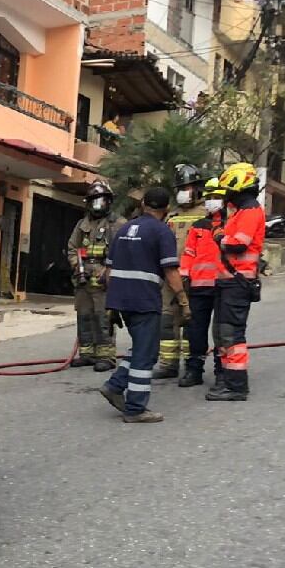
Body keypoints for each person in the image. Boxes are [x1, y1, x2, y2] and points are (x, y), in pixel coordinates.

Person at [98, 187, 189, 424]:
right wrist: (183, 300)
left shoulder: (124, 229)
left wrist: (112, 303)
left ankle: (115, 386)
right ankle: (135, 408)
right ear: (166, 209)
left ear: (143, 205)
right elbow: (170, 270)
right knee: (145, 353)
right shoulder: (162, 231)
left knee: (142, 347)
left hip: (121, 299)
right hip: (144, 300)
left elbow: (108, 271)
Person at [207, 162, 266, 402]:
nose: (226, 195)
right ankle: (226, 379)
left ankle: (236, 385)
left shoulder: (250, 211)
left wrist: (220, 237)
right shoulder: (241, 211)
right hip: (228, 282)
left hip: (237, 282)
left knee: (231, 334)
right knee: (222, 333)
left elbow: (238, 244)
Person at [151, 163, 206, 380]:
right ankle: (168, 364)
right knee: (166, 321)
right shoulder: (171, 216)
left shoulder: (205, 214)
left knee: (191, 322)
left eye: (187, 188)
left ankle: (191, 365)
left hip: (194, 278)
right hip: (169, 277)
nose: (183, 192)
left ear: (197, 188)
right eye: (180, 189)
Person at [66, 180, 120, 371]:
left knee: (103, 318)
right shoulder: (82, 224)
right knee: (84, 317)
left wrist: (108, 271)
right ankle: (87, 353)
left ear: (108, 201)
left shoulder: (116, 224)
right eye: (94, 200)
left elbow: (121, 252)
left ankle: (106, 356)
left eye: (101, 200)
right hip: (83, 279)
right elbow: (72, 248)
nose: (97, 205)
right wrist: (77, 266)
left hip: (104, 280)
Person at [178, 178, 226, 388]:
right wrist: (184, 276)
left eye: (216, 197)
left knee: (222, 332)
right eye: (209, 198)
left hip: (223, 286)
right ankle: (194, 370)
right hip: (198, 287)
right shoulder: (198, 226)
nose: (211, 201)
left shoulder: (230, 225)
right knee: (195, 331)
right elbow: (188, 253)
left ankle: (222, 372)